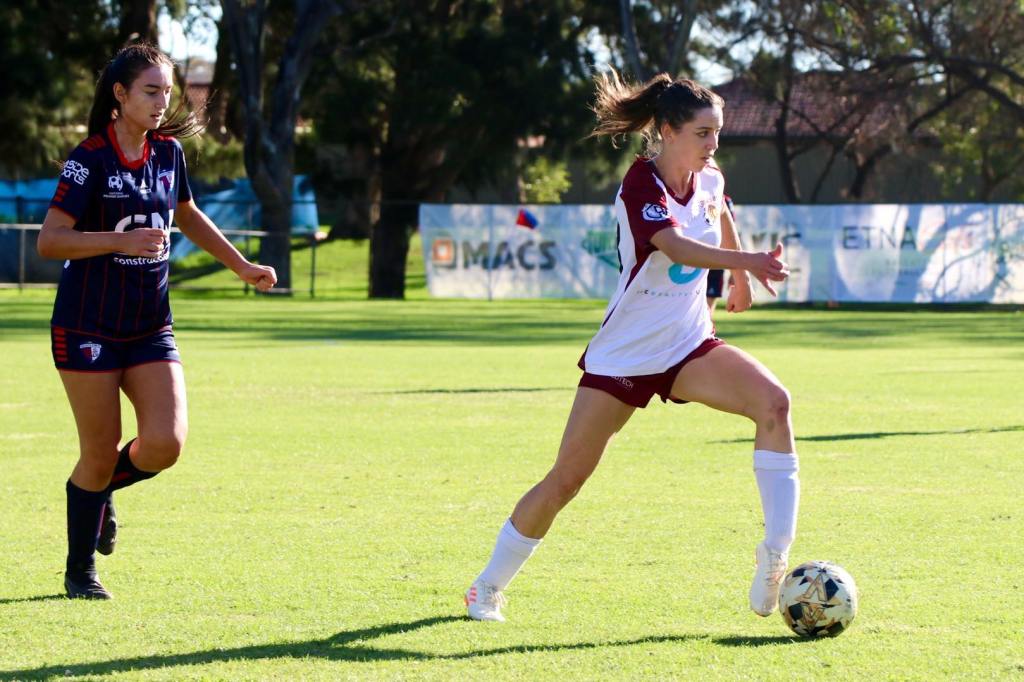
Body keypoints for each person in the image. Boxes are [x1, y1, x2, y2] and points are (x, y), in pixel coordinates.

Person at [464, 71, 799, 622]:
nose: (713, 144)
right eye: (702, 133)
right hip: (626, 354)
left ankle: (775, 557)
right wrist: (749, 263)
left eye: (717, 132)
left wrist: (739, 280)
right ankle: (486, 587)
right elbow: (676, 247)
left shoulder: (709, 177)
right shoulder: (641, 183)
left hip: (688, 346)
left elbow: (720, 207)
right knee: (566, 479)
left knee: (774, 403)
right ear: (667, 130)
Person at [37, 43, 277, 600]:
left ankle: (100, 492)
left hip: (149, 325)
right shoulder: (89, 158)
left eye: (167, 91)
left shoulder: (168, 153)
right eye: (150, 90)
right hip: (87, 325)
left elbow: (187, 215)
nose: (161, 101)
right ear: (119, 94)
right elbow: (51, 241)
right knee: (100, 452)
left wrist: (241, 266)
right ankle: (80, 572)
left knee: (165, 444)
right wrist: (118, 240)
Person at [706, 194, 740, 317]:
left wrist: (735, 273)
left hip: (716, 262)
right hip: (693, 259)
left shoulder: (725, 200)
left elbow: (730, 235)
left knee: (708, 309)